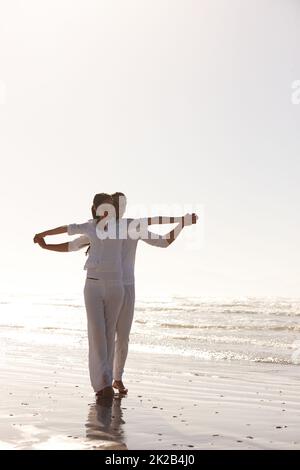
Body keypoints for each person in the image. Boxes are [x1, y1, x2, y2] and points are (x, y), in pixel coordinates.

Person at [34, 193, 198, 397]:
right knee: (104, 334)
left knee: (123, 336)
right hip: (105, 283)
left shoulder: (131, 226)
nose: (120, 208)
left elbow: (164, 241)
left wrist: (181, 223)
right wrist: (46, 245)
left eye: (124, 205)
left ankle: (116, 378)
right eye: (116, 204)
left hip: (126, 286)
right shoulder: (99, 227)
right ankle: (104, 379)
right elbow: (72, 245)